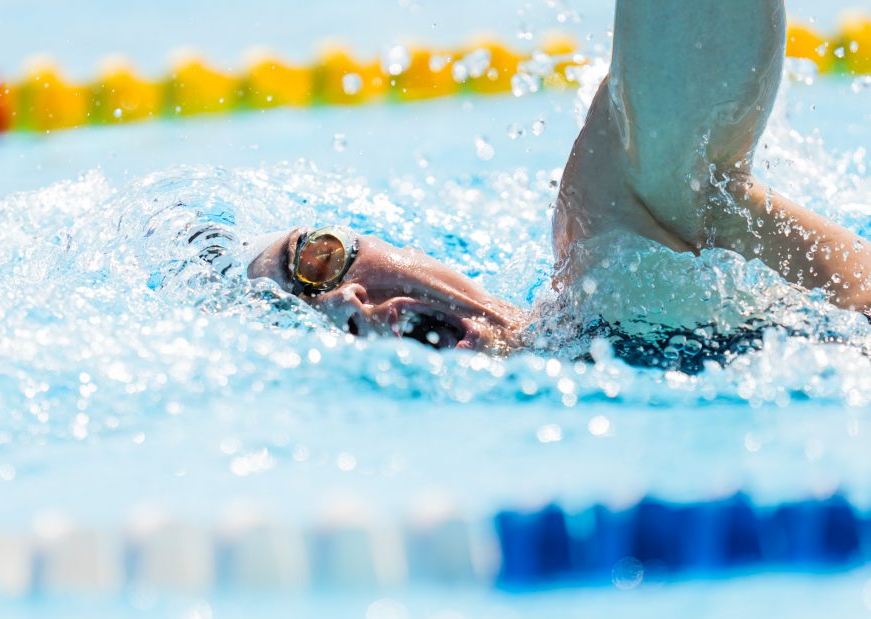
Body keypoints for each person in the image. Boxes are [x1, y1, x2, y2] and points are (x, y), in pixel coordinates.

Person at [237, 0, 870, 355]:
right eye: (307, 325)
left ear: (381, 245)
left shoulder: (620, 240)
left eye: (316, 264)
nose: (342, 301)